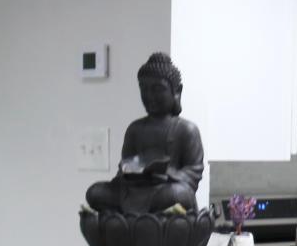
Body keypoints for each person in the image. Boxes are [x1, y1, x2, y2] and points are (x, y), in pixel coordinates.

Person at [83, 52, 205, 215]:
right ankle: (138, 218)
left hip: (165, 190)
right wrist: (133, 171)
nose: (149, 96)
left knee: (178, 194)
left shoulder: (186, 129)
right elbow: (125, 166)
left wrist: (166, 173)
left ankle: (136, 219)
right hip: (133, 189)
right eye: (144, 89)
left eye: (157, 89)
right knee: (95, 192)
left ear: (177, 91)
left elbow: (194, 171)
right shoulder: (135, 128)